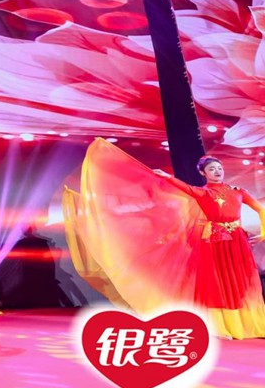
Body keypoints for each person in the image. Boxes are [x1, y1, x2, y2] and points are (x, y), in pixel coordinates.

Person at [66, 138, 265, 339]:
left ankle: (245, 324)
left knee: (240, 282)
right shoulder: (202, 193)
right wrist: (167, 177)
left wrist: (263, 233)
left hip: (237, 242)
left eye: (219, 168)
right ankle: (221, 326)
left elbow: (260, 208)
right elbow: (184, 187)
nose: (217, 171)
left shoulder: (238, 192)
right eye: (212, 169)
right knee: (218, 283)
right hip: (213, 243)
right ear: (203, 173)